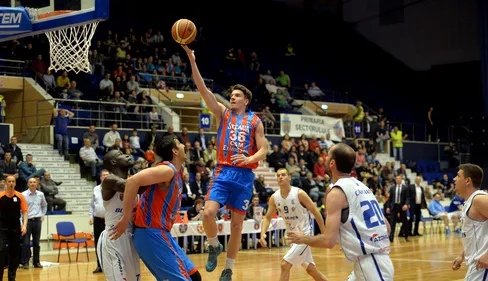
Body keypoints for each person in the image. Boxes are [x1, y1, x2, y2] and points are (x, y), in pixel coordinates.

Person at [182, 44, 267, 281]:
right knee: (208, 213)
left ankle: (228, 268)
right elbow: (202, 89)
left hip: (244, 175)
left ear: (246, 101)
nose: (232, 96)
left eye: (237, 95)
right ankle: (213, 245)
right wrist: (192, 61)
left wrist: (250, 158)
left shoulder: (255, 121)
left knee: (237, 225)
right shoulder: (223, 113)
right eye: (231, 94)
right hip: (223, 171)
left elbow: (264, 150)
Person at [287, 143, 394, 280]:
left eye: (327, 156)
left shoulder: (337, 192)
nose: (324, 158)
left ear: (332, 163)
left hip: (371, 264)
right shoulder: (363, 187)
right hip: (371, 261)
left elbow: (328, 241)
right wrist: (352, 240)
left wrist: (301, 238)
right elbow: (388, 227)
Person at [110, 135, 201, 281]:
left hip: (161, 232)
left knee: (194, 277)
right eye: (180, 144)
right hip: (151, 234)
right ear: (175, 151)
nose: (185, 146)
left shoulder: (177, 169)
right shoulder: (167, 170)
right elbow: (132, 181)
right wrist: (126, 216)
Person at [260, 168, 328, 281]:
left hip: (304, 234)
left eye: (283, 175)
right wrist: (263, 234)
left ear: (289, 177)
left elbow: (316, 212)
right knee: (311, 269)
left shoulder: (299, 193)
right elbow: (267, 217)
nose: (280, 177)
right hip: (292, 236)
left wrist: (324, 233)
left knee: (285, 265)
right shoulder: (274, 197)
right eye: (278, 175)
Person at [97, 151, 141, 281]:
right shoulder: (109, 180)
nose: (128, 155)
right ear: (114, 162)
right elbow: (133, 187)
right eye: (121, 154)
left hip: (130, 237)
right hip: (114, 237)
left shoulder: (132, 180)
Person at [451, 164, 488, 280]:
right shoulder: (469, 202)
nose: (454, 179)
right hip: (477, 263)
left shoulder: (480, 199)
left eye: (458, 176)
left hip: (485, 264)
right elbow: (473, 235)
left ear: (468, 180)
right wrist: (462, 255)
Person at [0, 175, 28, 281]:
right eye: (9, 181)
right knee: (1, 250)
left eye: (13, 181)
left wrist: (24, 225)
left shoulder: (20, 196)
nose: (11, 183)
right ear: (6, 183)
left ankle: (12, 277)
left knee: (14, 253)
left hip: (15, 227)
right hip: (3, 227)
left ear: (15, 183)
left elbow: (25, 212)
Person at [20, 177, 47, 269]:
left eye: (34, 182)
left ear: (37, 184)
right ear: (28, 184)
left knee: (36, 242)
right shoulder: (23, 195)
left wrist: (42, 215)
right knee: (26, 243)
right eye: (30, 182)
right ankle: (25, 262)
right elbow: (20, 210)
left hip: (37, 221)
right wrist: (21, 222)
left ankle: (36, 262)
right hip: (27, 221)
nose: (32, 184)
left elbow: (44, 206)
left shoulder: (41, 194)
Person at [89, 169, 110, 274]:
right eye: (104, 175)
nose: (105, 176)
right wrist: (90, 216)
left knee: (110, 242)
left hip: (110, 219)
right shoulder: (96, 189)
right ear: (100, 177)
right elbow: (92, 205)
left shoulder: (113, 188)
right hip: (98, 219)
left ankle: (110, 265)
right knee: (98, 242)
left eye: (107, 175)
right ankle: (99, 265)